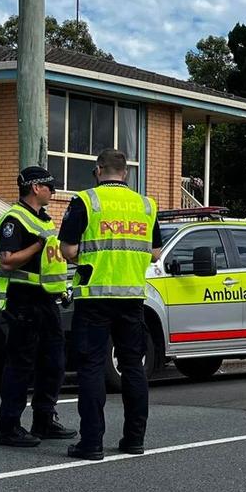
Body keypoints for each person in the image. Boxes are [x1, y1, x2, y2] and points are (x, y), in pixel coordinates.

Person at [58, 148, 162, 460]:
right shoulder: (146, 205)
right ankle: (134, 440)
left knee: (91, 367)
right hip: (132, 298)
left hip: (95, 297)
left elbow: (67, 249)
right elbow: (155, 253)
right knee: (132, 367)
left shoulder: (86, 201)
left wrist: (89, 257)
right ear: (126, 173)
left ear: (98, 170)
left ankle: (91, 443)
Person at [0, 166, 76, 448]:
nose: (53, 191)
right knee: (20, 365)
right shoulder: (13, 220)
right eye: (50, 186)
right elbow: (7, 260)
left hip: (46, 300)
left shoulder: (44, 220)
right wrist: (37, 246)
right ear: (35, 188)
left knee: (54, 362)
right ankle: (9, 427)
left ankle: (44, 419)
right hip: (22, 300)